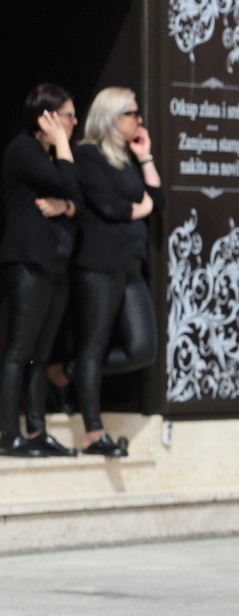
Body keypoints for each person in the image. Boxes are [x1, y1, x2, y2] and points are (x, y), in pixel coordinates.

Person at [70, 87, 161, 457]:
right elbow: (109, 206)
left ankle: (68, 372)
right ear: (111, 117)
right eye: (131, 114)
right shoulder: (88, 154)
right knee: (93, 344)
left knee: (143, 348)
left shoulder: (126, 157)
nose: (138, 120)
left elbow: (159, 199)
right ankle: (93, 432)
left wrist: (146, 156)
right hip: (99, 264)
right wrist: (141, 207)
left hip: (131, 267)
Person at [1, 83, 79, 457]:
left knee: (39, 354)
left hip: (54, 265)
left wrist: (65, 207)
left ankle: (36, 430)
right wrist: (62, 143)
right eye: (67, 116)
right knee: (19, 350)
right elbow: (69, 183)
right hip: (28, 263)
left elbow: (78, 197)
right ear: (46, 118)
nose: (74, 123)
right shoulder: (23, 151)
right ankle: (7, 433)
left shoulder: (49, 157)